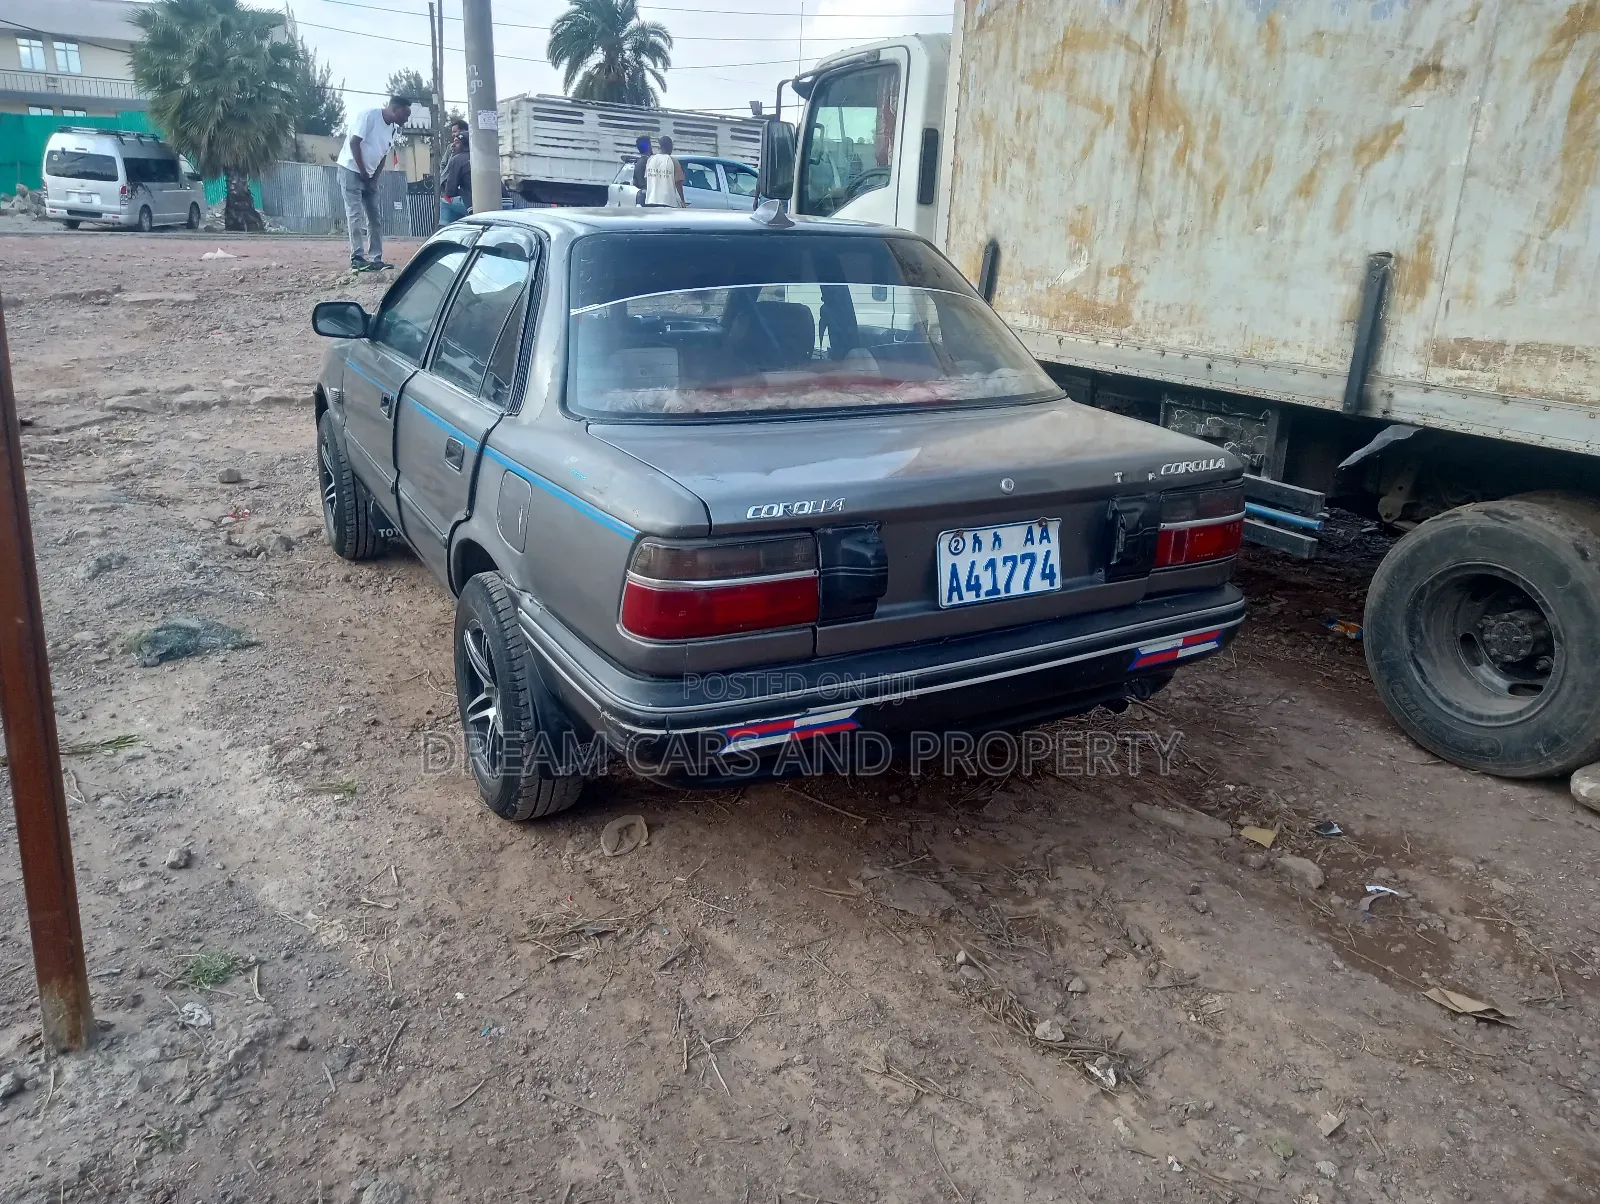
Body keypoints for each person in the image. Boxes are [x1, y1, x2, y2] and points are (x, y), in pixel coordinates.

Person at [338, 94, 412, 271]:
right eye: (404, 115)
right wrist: (363, 171)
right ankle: (357, 258)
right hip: (350, 170)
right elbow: (354, 143)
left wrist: (374, 178)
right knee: (355, 214)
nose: (406, 120)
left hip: (369, 176)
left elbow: (383, 154)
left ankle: (375, 258)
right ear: (394, 109)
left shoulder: (393, 129)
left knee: (375, 218)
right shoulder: (369, 116)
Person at [439, 126, 471, 224]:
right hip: (506, 202)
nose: (453, 146)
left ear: (464, 145)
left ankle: (445, 231)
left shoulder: (457, 159)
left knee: (444, 202)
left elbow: (450, 189)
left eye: (456, 143)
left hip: (478, 204)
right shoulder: (479, 156)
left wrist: (448, 196)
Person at [643, 135, 685, 208]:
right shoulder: (673, 161)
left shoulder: (650, 160)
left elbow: (647, 179)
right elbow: (678, 183)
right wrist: (682, 200)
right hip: (667, 201)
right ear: (669, 147)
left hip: (651, 200)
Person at [630, 136, 650, 205]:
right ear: (648, 146)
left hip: (641, 196)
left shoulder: (638, 163)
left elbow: (634, 182)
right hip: (649, 197)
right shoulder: (649, 162)